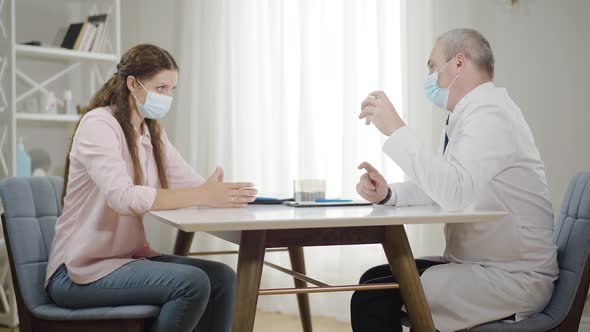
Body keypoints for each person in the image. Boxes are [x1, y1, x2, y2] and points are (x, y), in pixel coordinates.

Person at [351, 28, 558, 332]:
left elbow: (454, 194)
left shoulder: (491, 114)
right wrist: (387, 195)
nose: (430, 76)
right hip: (484, 263)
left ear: (459, 63)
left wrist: (396, 129)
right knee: (372, 281)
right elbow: (442, 186)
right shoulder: (470, 114)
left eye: (433, 66)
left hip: (512, 276)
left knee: (371, 299)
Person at [45, 44, 257, 332]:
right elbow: (123, 197)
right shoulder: (98, 125)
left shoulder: (151, 132)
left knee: (223, 278)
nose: (167, 97)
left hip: (125, 260)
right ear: (133, 83)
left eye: (171, 89)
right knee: (192, 283)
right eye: (161, 87)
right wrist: (202, 194)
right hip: (78, 273)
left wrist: (228, 196)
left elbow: (193, 186)